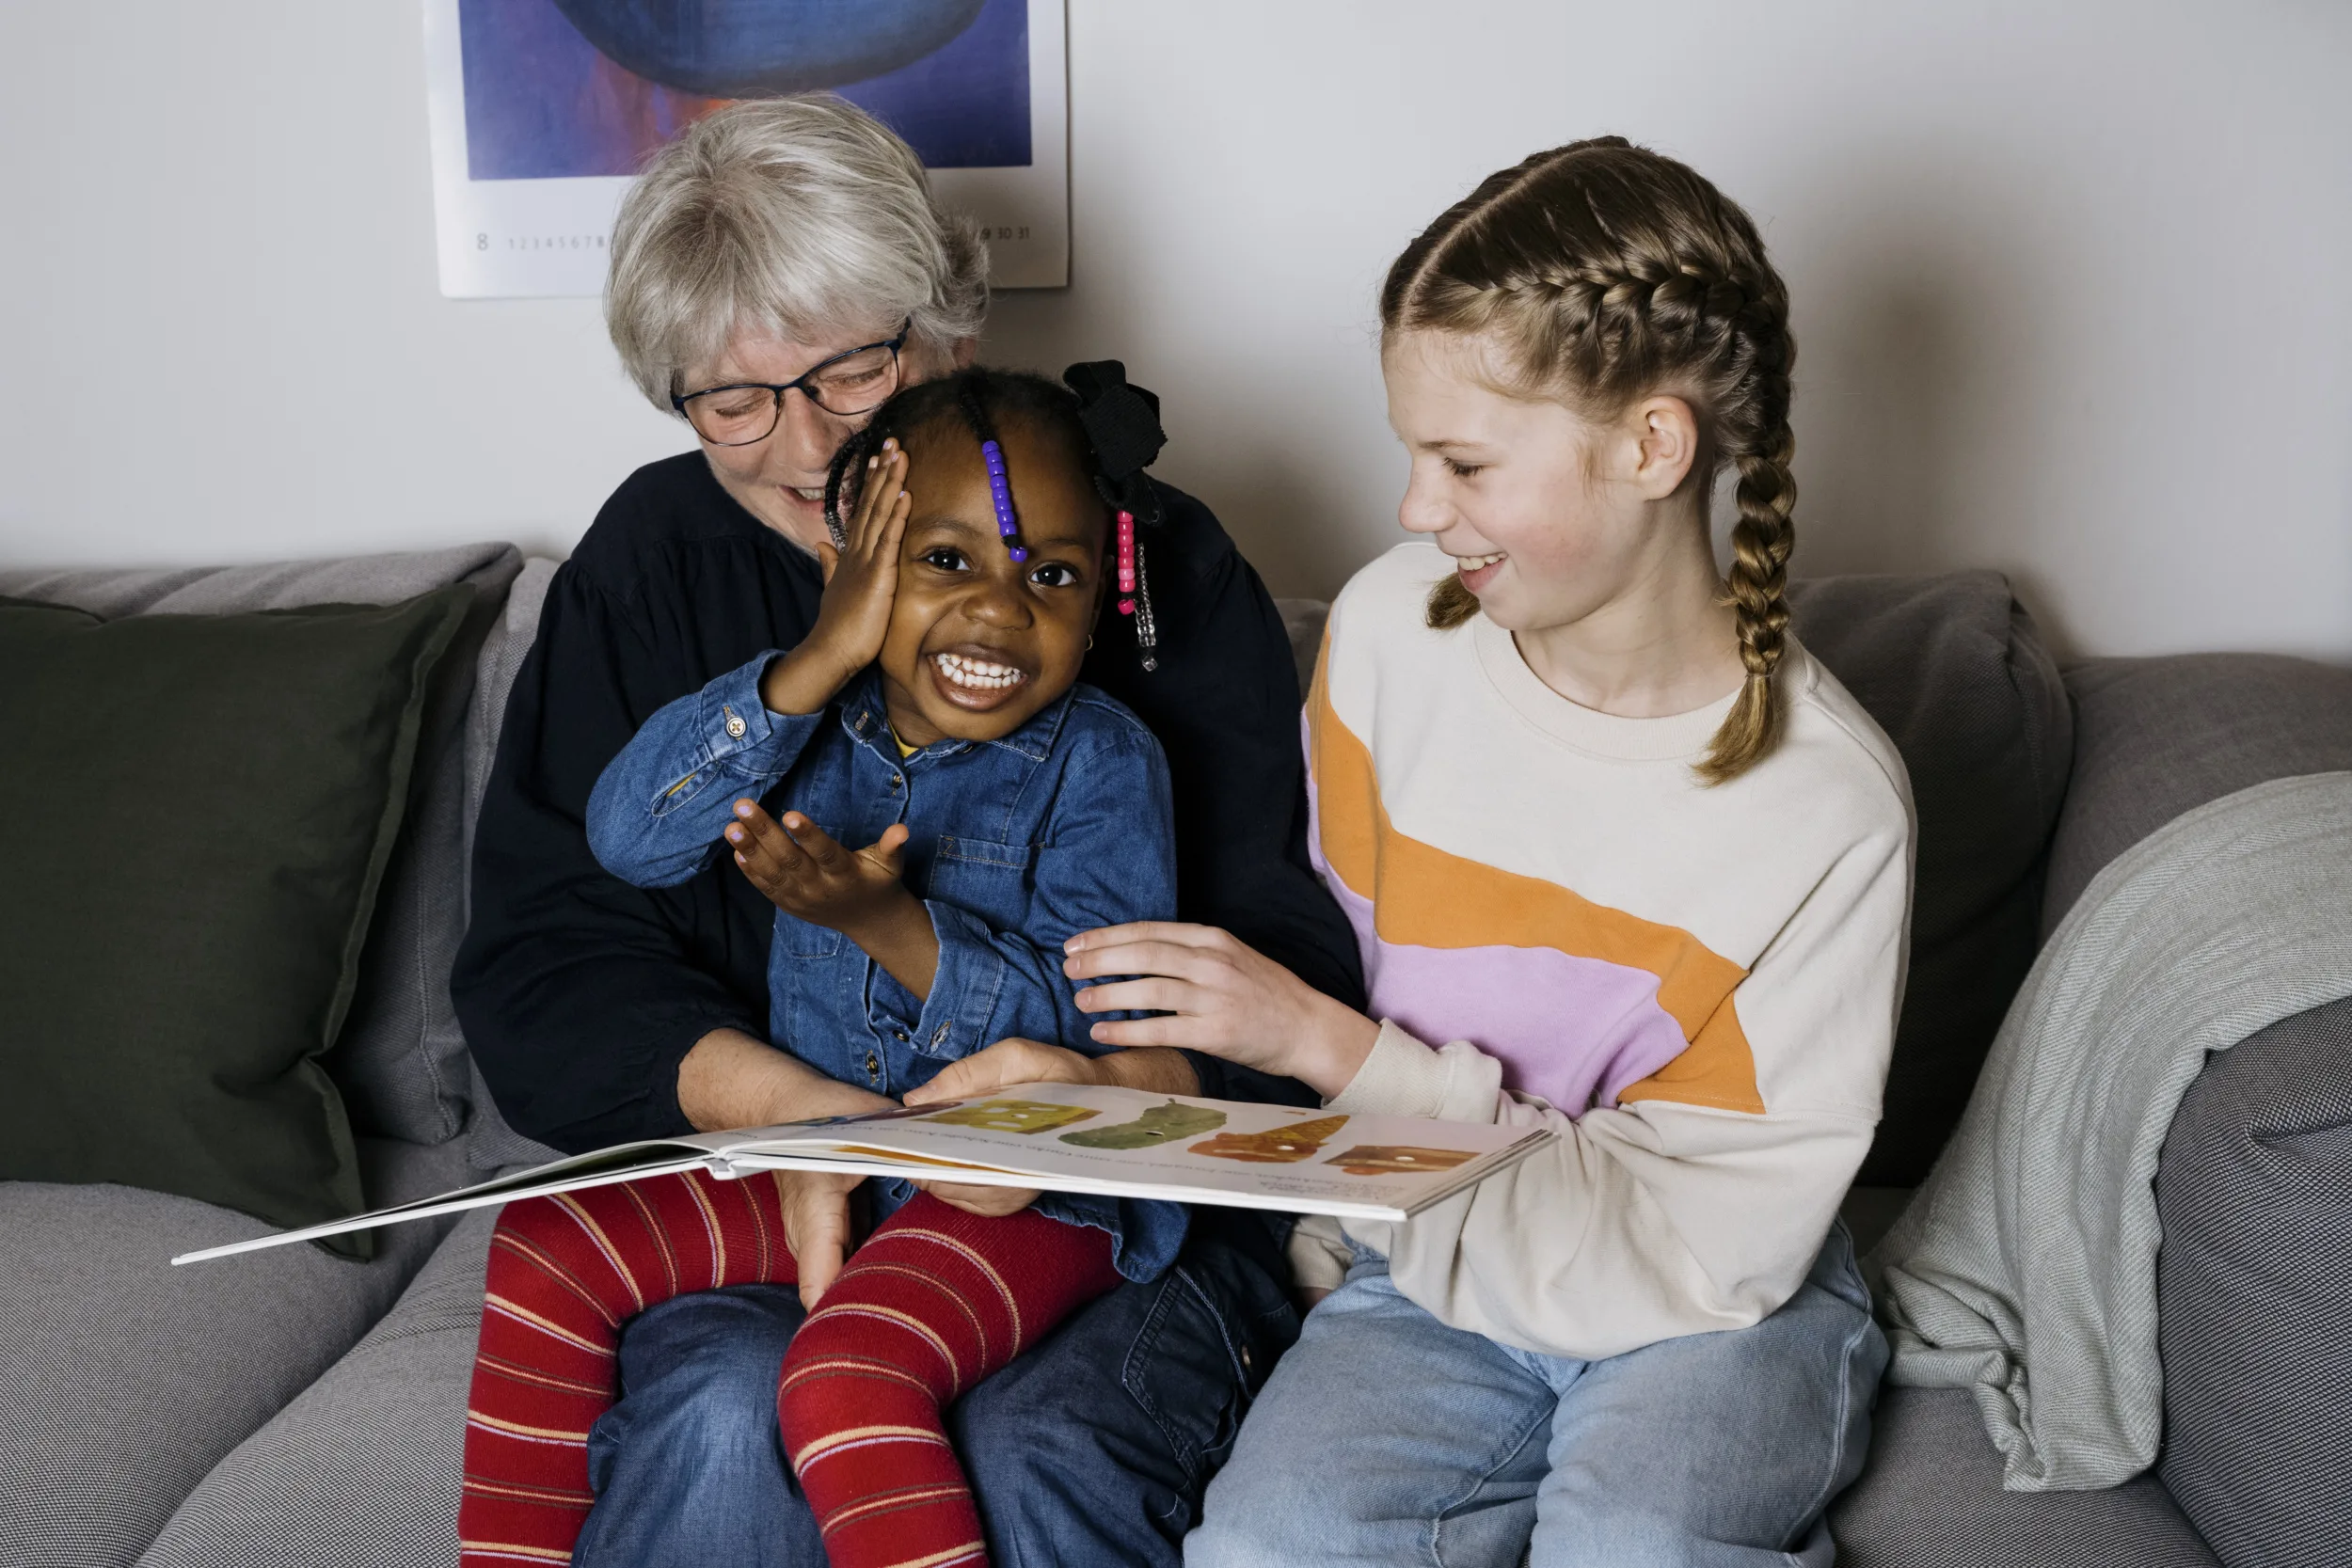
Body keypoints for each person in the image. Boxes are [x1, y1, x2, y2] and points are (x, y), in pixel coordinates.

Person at [450, 99, 1363, 1566]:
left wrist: (1086, 1090)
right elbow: (549, 957)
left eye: (853, 369)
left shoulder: (1141, 563)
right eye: (733, 400)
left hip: (1105, 1190)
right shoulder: (654, 560)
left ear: (949, 332)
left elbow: (1287, 960)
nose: (806, 447)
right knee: (723, 1409)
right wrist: (796, 1114)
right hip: (775, 1187)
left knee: (1034, 1443)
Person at [1061, 139, 1914, 1566]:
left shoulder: (1827, 807)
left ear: (1652, 447)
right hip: (1425, 1264)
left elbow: (1703, 1240)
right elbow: (1317, 956)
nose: (1410, 507)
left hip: (1706, 1295)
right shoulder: (1397, 632)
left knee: (1641, 1542)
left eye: (1461, 460)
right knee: (1267, 1547)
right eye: (1412, 453)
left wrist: (1334, 1047)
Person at [463, 368, 1196, 1568]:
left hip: (1029, 1188)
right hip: (838, 1161)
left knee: (846, 1377)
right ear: (848, 565)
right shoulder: (799, 722)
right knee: (545, 1247)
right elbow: (630, 837)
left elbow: (1101, 1029)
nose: (1000, 612)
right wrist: (815, 655)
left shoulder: (1104, 763)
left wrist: (889, 926)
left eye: (1050, 575)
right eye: (943, 561)